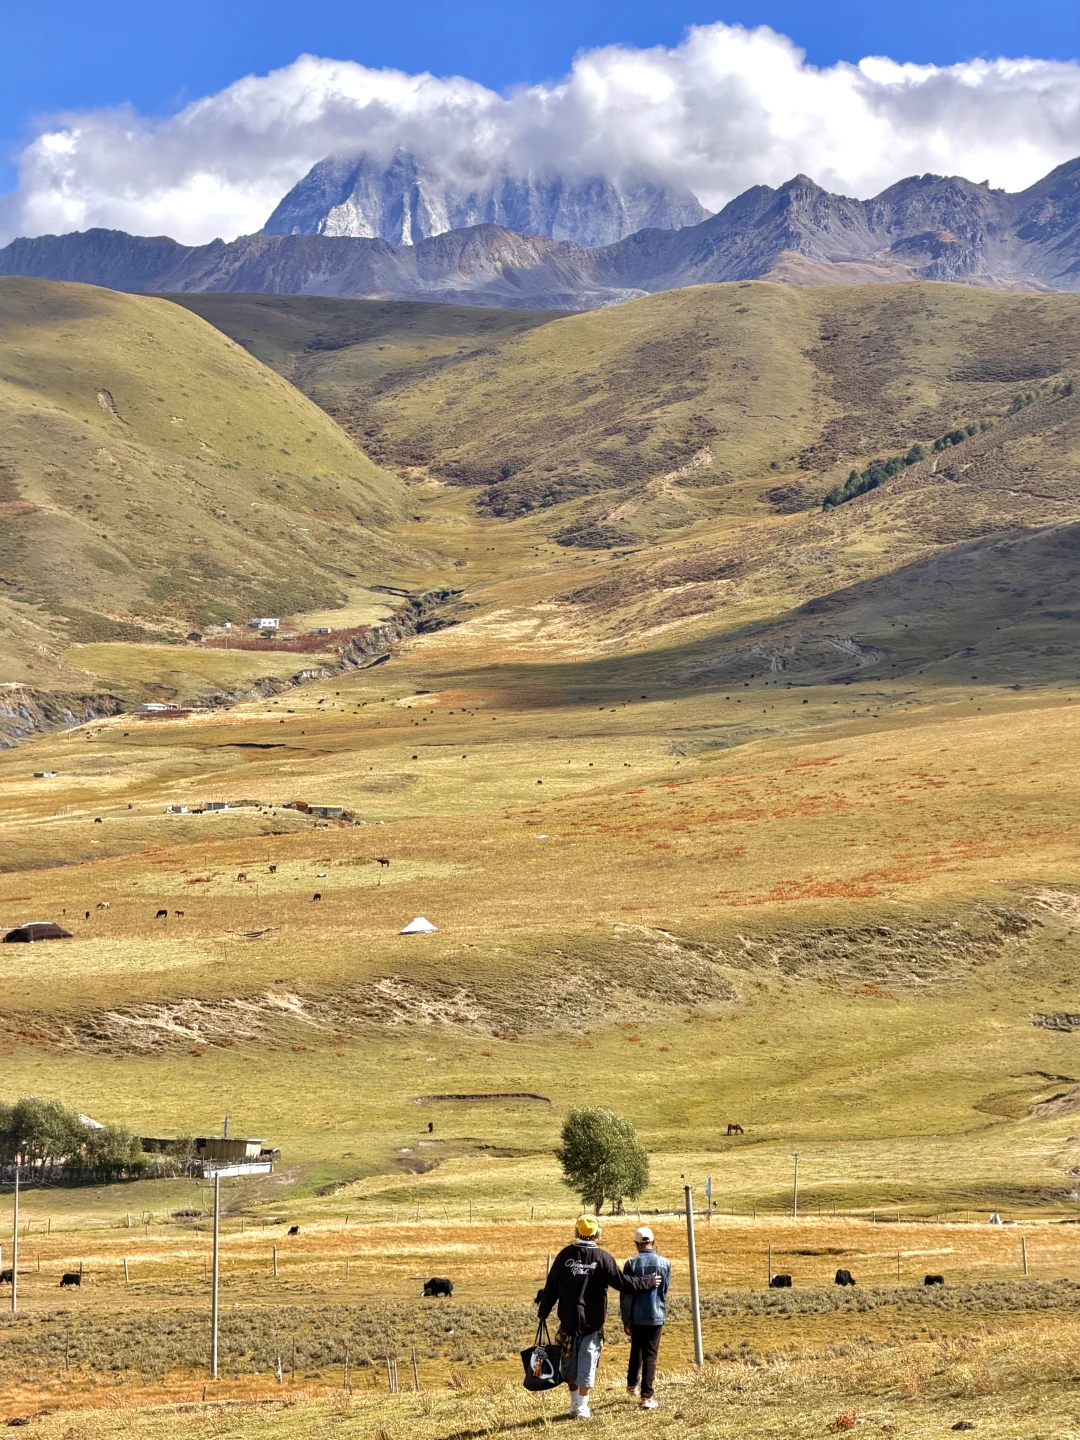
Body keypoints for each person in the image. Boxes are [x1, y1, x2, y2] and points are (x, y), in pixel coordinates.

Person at [536, 1215, 662, 1420]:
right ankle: (582, 1407)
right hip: (592, 1323)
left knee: (569, 1365)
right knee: (587, 1363)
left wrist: (543, 1312)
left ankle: (576, 1404)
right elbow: (623, 1283)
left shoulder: (565, 1254)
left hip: (567, 1321)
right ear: (597, 1233)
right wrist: (647, 1282)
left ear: (577, 1232)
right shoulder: (603, 1258)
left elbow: (551, 1288)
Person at [621, 1225, 671, 1410]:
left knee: (636, 1350)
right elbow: (664, 1290)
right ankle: (647, 1396)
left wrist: (625, 1319)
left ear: (636, 1244)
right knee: (650, 1355)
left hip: (636, 1315)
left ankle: (632, 1384)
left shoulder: (631, 1264)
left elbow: (626, 1295)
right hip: (656, 1314)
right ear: (653, 1242)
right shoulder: (665, 1263)